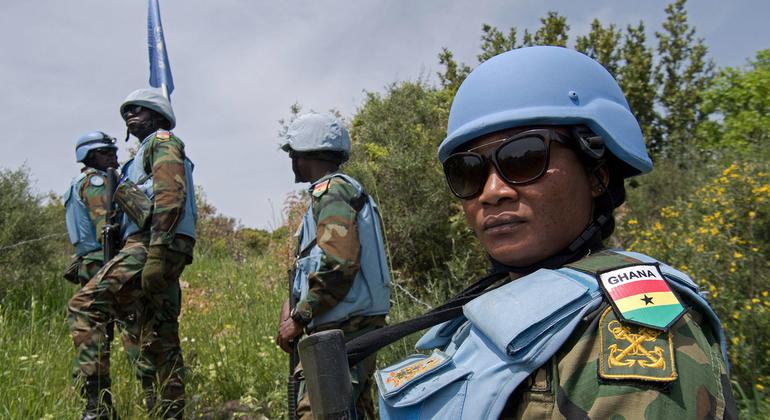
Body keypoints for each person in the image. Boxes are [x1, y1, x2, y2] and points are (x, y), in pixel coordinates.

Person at [375, 46, 737, 419]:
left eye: (524, 158)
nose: (492, 191)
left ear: (598, 175)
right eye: (468, 171)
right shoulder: (482, 315)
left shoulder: (628, 321)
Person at [68, 88, 196, 420]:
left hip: (153, 243)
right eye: (126, 111)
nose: (130, 115)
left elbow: (170, 195)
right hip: (149, 244)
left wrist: (156, 251)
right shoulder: (133, 160)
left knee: (84, 305)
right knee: (155, 334)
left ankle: (98, 407)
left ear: (157, 115)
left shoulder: (163, 142)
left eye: (138, 109)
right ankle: (169, 412)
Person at [275, 113, 392, 419]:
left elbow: (339, 264)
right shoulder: (335, 192)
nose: (291, 161)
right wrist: (292, 305)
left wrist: (300, 316)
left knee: (318, 412)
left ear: (305, 154)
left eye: (293, 154)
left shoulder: (332, 191)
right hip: (344, 329)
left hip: (342, 332)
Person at [64, 131, 120, 287]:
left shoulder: (80, 181)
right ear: (88, 156)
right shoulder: (96, 182)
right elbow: (104, 223)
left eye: (113, 151)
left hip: (91, 259)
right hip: (101, 258)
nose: (111, 156)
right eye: (104, 152)